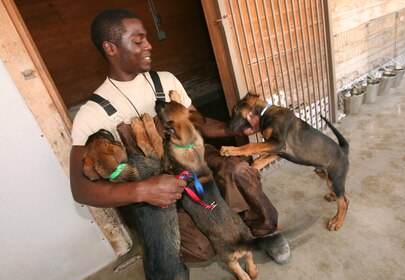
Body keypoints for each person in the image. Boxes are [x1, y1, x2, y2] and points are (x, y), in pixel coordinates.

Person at [69, 8, 278, 262]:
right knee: (202, 249)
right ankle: (205, 227)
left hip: (193, 159)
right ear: (110, 48)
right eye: (138, 40)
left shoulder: (165, 80)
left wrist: (232, 129)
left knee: (237, 168)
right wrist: (142, 190)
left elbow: (196, 122)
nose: (148, 45)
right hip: (156, 186)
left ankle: (261, 231)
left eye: (146, 37)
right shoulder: (91, 114)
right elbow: (81, 189)